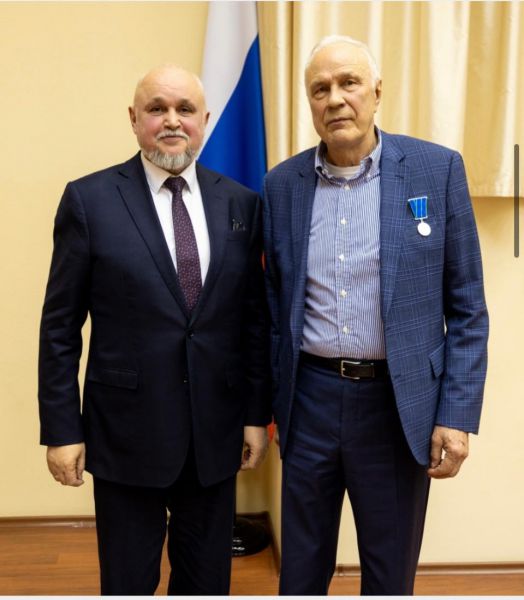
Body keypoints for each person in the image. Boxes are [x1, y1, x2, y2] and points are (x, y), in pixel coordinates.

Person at [263, 35, 488, 595]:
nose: (335, 99)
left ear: (377, 93)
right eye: (320, 89)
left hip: (396, 404)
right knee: (300, 574)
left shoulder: (436, 170)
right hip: (309, 401)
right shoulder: (281, 186)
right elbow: (268, 309)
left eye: (349, 83)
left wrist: (456, 415)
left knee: (389, 576)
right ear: (309, 103)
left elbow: (467, 307)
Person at [38, 64, 271, 595]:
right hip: (125, 436)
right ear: (133, 118)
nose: (171, 121)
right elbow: (59, 328)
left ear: (204, 120)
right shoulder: (89, 200)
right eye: (157, 109)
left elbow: (254, 323)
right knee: (127, 582)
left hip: (214, 436)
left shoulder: (242, 204)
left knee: (207, 583)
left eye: (185, 109)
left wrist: (255, 416)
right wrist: (62, 430)